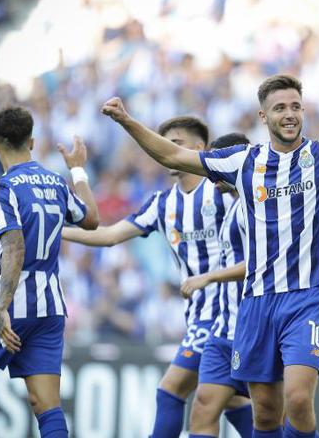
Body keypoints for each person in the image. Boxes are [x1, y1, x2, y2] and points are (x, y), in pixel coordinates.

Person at [100, 38, 319, 437]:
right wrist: (127, 121)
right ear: (264, 116)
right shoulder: (244, 161)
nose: (289, 114)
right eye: (280, 108)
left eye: (295, 106)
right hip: (256, 302)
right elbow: (173, 156)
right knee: (265, 413)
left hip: (307, 295)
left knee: (298, 400)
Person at [61, 117, 250, 438]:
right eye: (164, 143)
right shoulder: (163, 204)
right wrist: (57, 231)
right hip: (198, 316)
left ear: (200, 148)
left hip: (225, 314)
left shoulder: (221, 189)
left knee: (171, 390)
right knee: (232, 401)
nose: (166, 150)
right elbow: (109, 235)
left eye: (176, 144)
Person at [0, 106, 99, 438]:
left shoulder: (1, 187)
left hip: (12, 304)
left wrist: (2, 307)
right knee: (47, 405)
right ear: (32, 141)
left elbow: (14, 247)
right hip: (50, 307)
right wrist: (78, 169)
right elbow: (91, 219)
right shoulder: (56, 182)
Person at [180, 133, 252, 438]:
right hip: (223, 331)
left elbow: (261, 263)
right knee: (203, 408)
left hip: (253, 330)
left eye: (217, 167)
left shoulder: (255, 205)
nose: (212, 176)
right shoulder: (232, 206)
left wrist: (208, 277)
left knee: (273, 416)